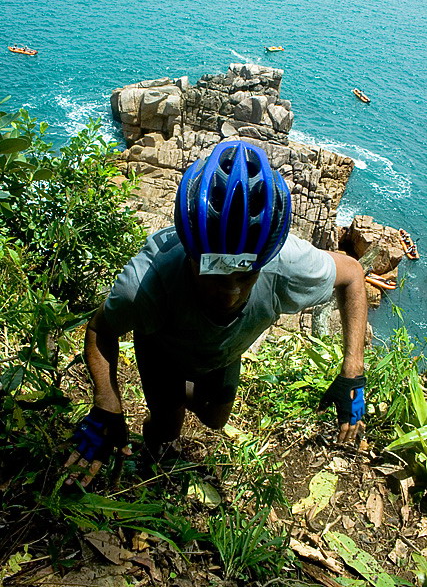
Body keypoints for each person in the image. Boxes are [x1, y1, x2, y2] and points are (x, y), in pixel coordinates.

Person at [64, 140, 367, 487]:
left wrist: (352, 370)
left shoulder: (287, 264)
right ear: (191, 257)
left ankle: (175, 396)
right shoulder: (148, 282)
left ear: (265, 262)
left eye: (246, 274)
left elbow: (353, 276)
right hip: (162, 348)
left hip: (222, 354)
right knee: (167, 426)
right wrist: (107, 401)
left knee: (215, 419)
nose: (231, 290)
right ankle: (152, 450)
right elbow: (100, 328)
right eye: (216, 273)